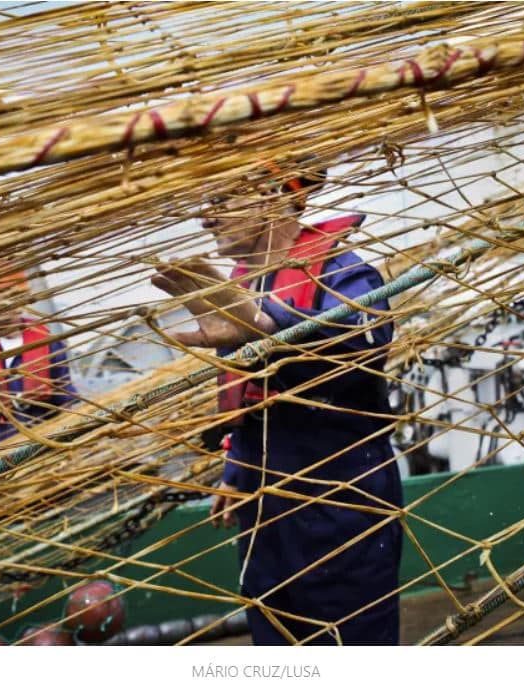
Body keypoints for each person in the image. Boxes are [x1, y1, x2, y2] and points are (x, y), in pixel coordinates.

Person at [151, 159, 402, 645]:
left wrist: (269, 325)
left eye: (220, 201)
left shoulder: (342, 272)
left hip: (340, 502)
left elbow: (365, 341)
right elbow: (252, 403)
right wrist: (236, 468)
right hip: (264, 511)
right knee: (275, 637)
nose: (207, 218)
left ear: (270, 197)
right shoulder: (241, 288)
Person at [0, 263, 76, 459]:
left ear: (19, 303)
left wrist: (65, 449)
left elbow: (65, 402)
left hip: (35, 444)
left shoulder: (49, 344)